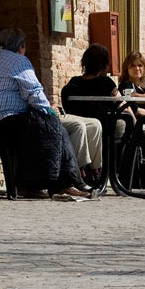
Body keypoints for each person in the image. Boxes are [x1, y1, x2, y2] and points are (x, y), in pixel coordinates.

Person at [0, 28, 91, 200]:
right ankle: (65, 184)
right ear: (21, 47)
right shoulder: (19, 61)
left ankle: (34, 185)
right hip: (5, 121)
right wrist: (49, 111)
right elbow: (34, 92)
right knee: (53, 124)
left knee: (44, 126)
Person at [60, 44, 116, 186]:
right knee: (120, 126)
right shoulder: (106, 83)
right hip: (103, 123)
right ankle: (97, 170)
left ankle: (89, 171)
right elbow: (119, 102)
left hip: (79, 120)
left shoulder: (74, 83)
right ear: (104, 65)